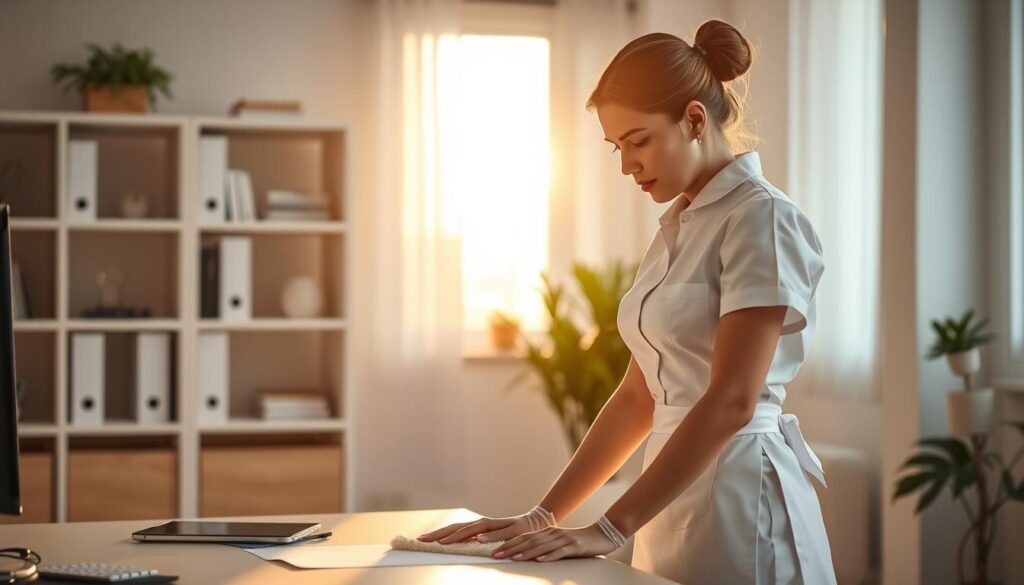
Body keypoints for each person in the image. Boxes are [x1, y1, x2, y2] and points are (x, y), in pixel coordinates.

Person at [418, 19, 837, 584]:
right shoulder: (678, 227)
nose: (626, 165)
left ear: (693, 119)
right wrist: (543, 515)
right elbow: (641, 393)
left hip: (743, 498)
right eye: (617, 146)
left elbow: (733, 398)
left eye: (638, 141)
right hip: (666, 503)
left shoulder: (760, 218)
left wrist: (611, 528)